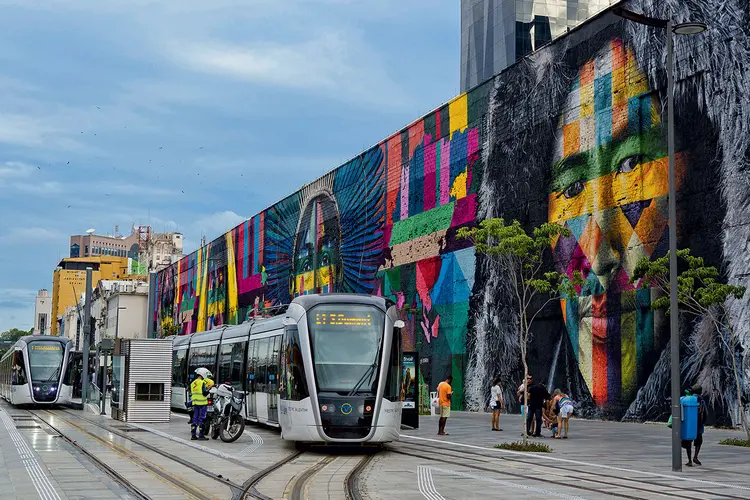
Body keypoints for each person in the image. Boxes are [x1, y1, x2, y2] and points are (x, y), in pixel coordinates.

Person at [683, 385, 708, 466]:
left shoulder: (688, 399)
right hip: (699, 425)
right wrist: (703, 422)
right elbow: (706, 413)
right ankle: (695, 457)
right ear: (700, 391)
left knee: (688, 441)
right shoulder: (701, 400)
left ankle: (689, 460)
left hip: (689, 424)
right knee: (698, 441)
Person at [189, 367, 213, 441]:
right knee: (202, 419)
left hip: (195, 403)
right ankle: (201, 435)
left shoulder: (193, 383)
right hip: (202, 403)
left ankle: (193, 435)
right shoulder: (202, 382)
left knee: (195, 418)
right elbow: (204, 393)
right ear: (203, 374)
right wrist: (209, 389)